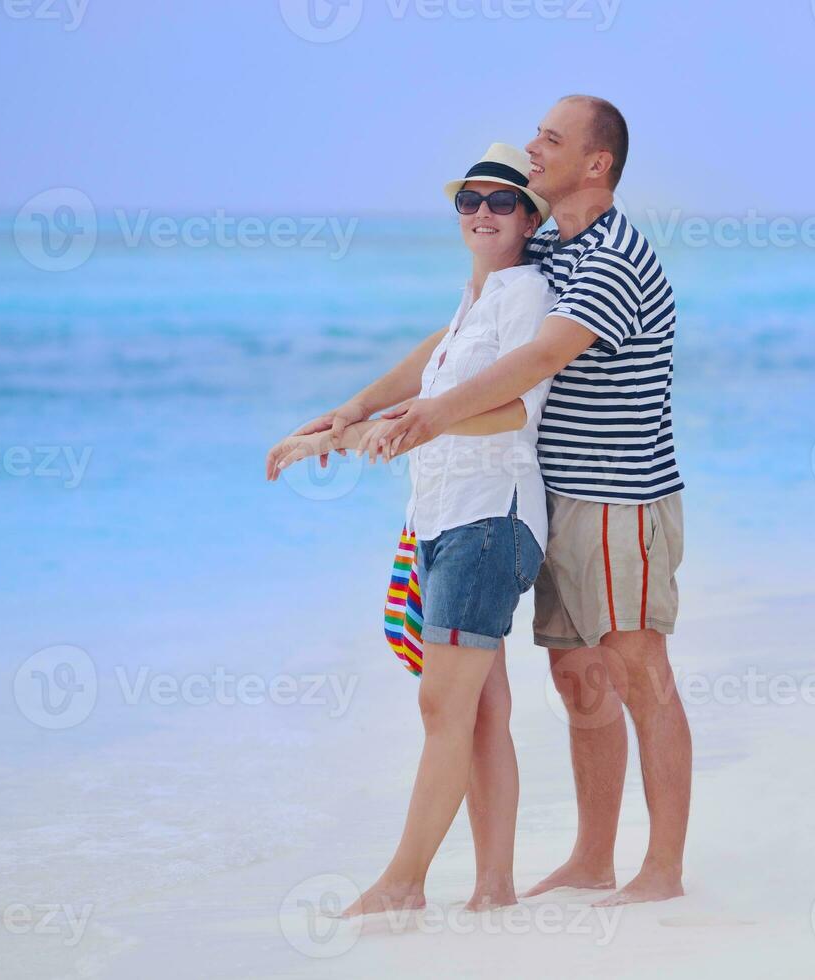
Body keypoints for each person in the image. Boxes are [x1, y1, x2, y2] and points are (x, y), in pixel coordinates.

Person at [357, 95, 692, 907]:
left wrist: (435, 415)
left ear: (595, 163)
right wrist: (360, 409)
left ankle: (663, 872)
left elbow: (541, 356)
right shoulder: (553, 246)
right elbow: (464, 330)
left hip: (618, 498)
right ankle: (591, 858)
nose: (534, 148)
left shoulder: (614, 256)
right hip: (553, 494)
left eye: (550, 138)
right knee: (580, 683)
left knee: (639, 673)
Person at [265, 143, 557, 914]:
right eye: (470, 201)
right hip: (442, 518)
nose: (484, 213)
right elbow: (424, 369)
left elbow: (518, 408)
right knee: (482, 710)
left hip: (489, 518)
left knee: (442, 707)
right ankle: (494, 888)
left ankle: (404, 883)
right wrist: (347, 416)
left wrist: (414, 430)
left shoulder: (527, 293)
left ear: (531, 217)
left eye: (502, 201)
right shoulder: (475, 301)